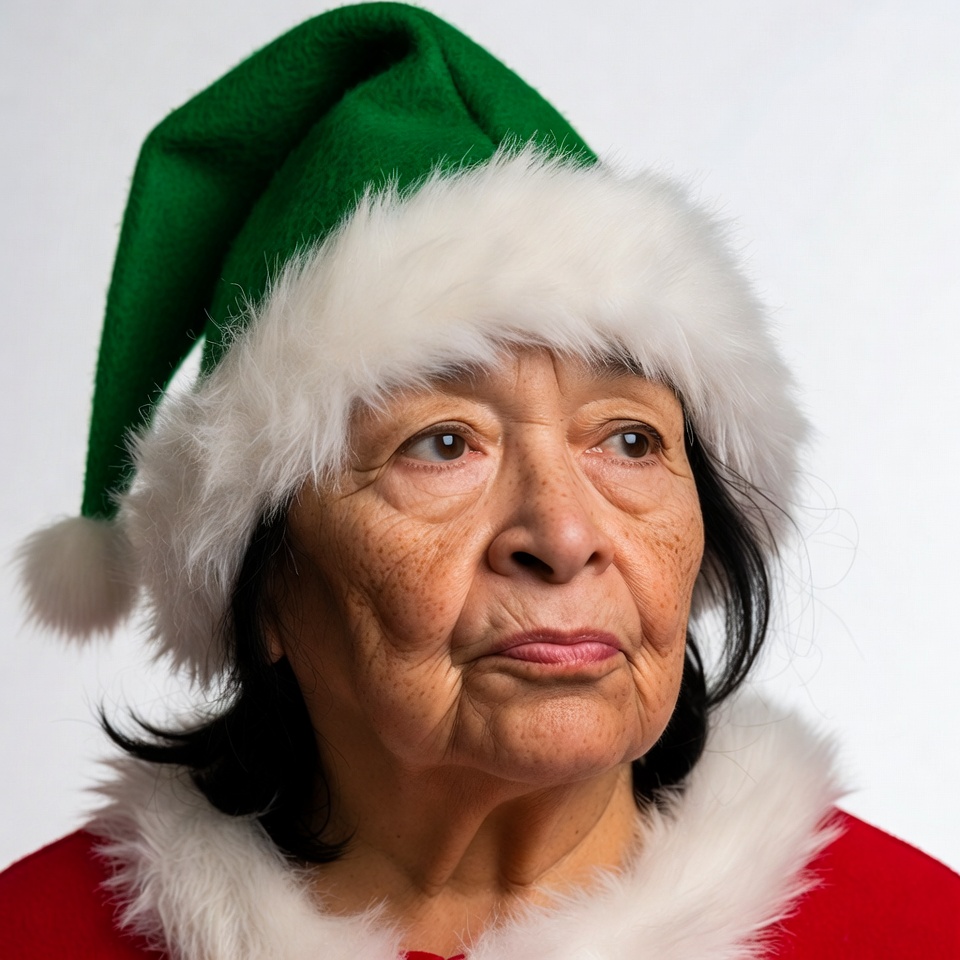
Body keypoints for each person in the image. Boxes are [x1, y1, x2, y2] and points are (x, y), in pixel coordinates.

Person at [1, 4, 957, 958]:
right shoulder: (36, 935)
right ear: (261, 590)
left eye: (627, 441)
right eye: (442, 445)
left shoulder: (915, 931)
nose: (563, 534)